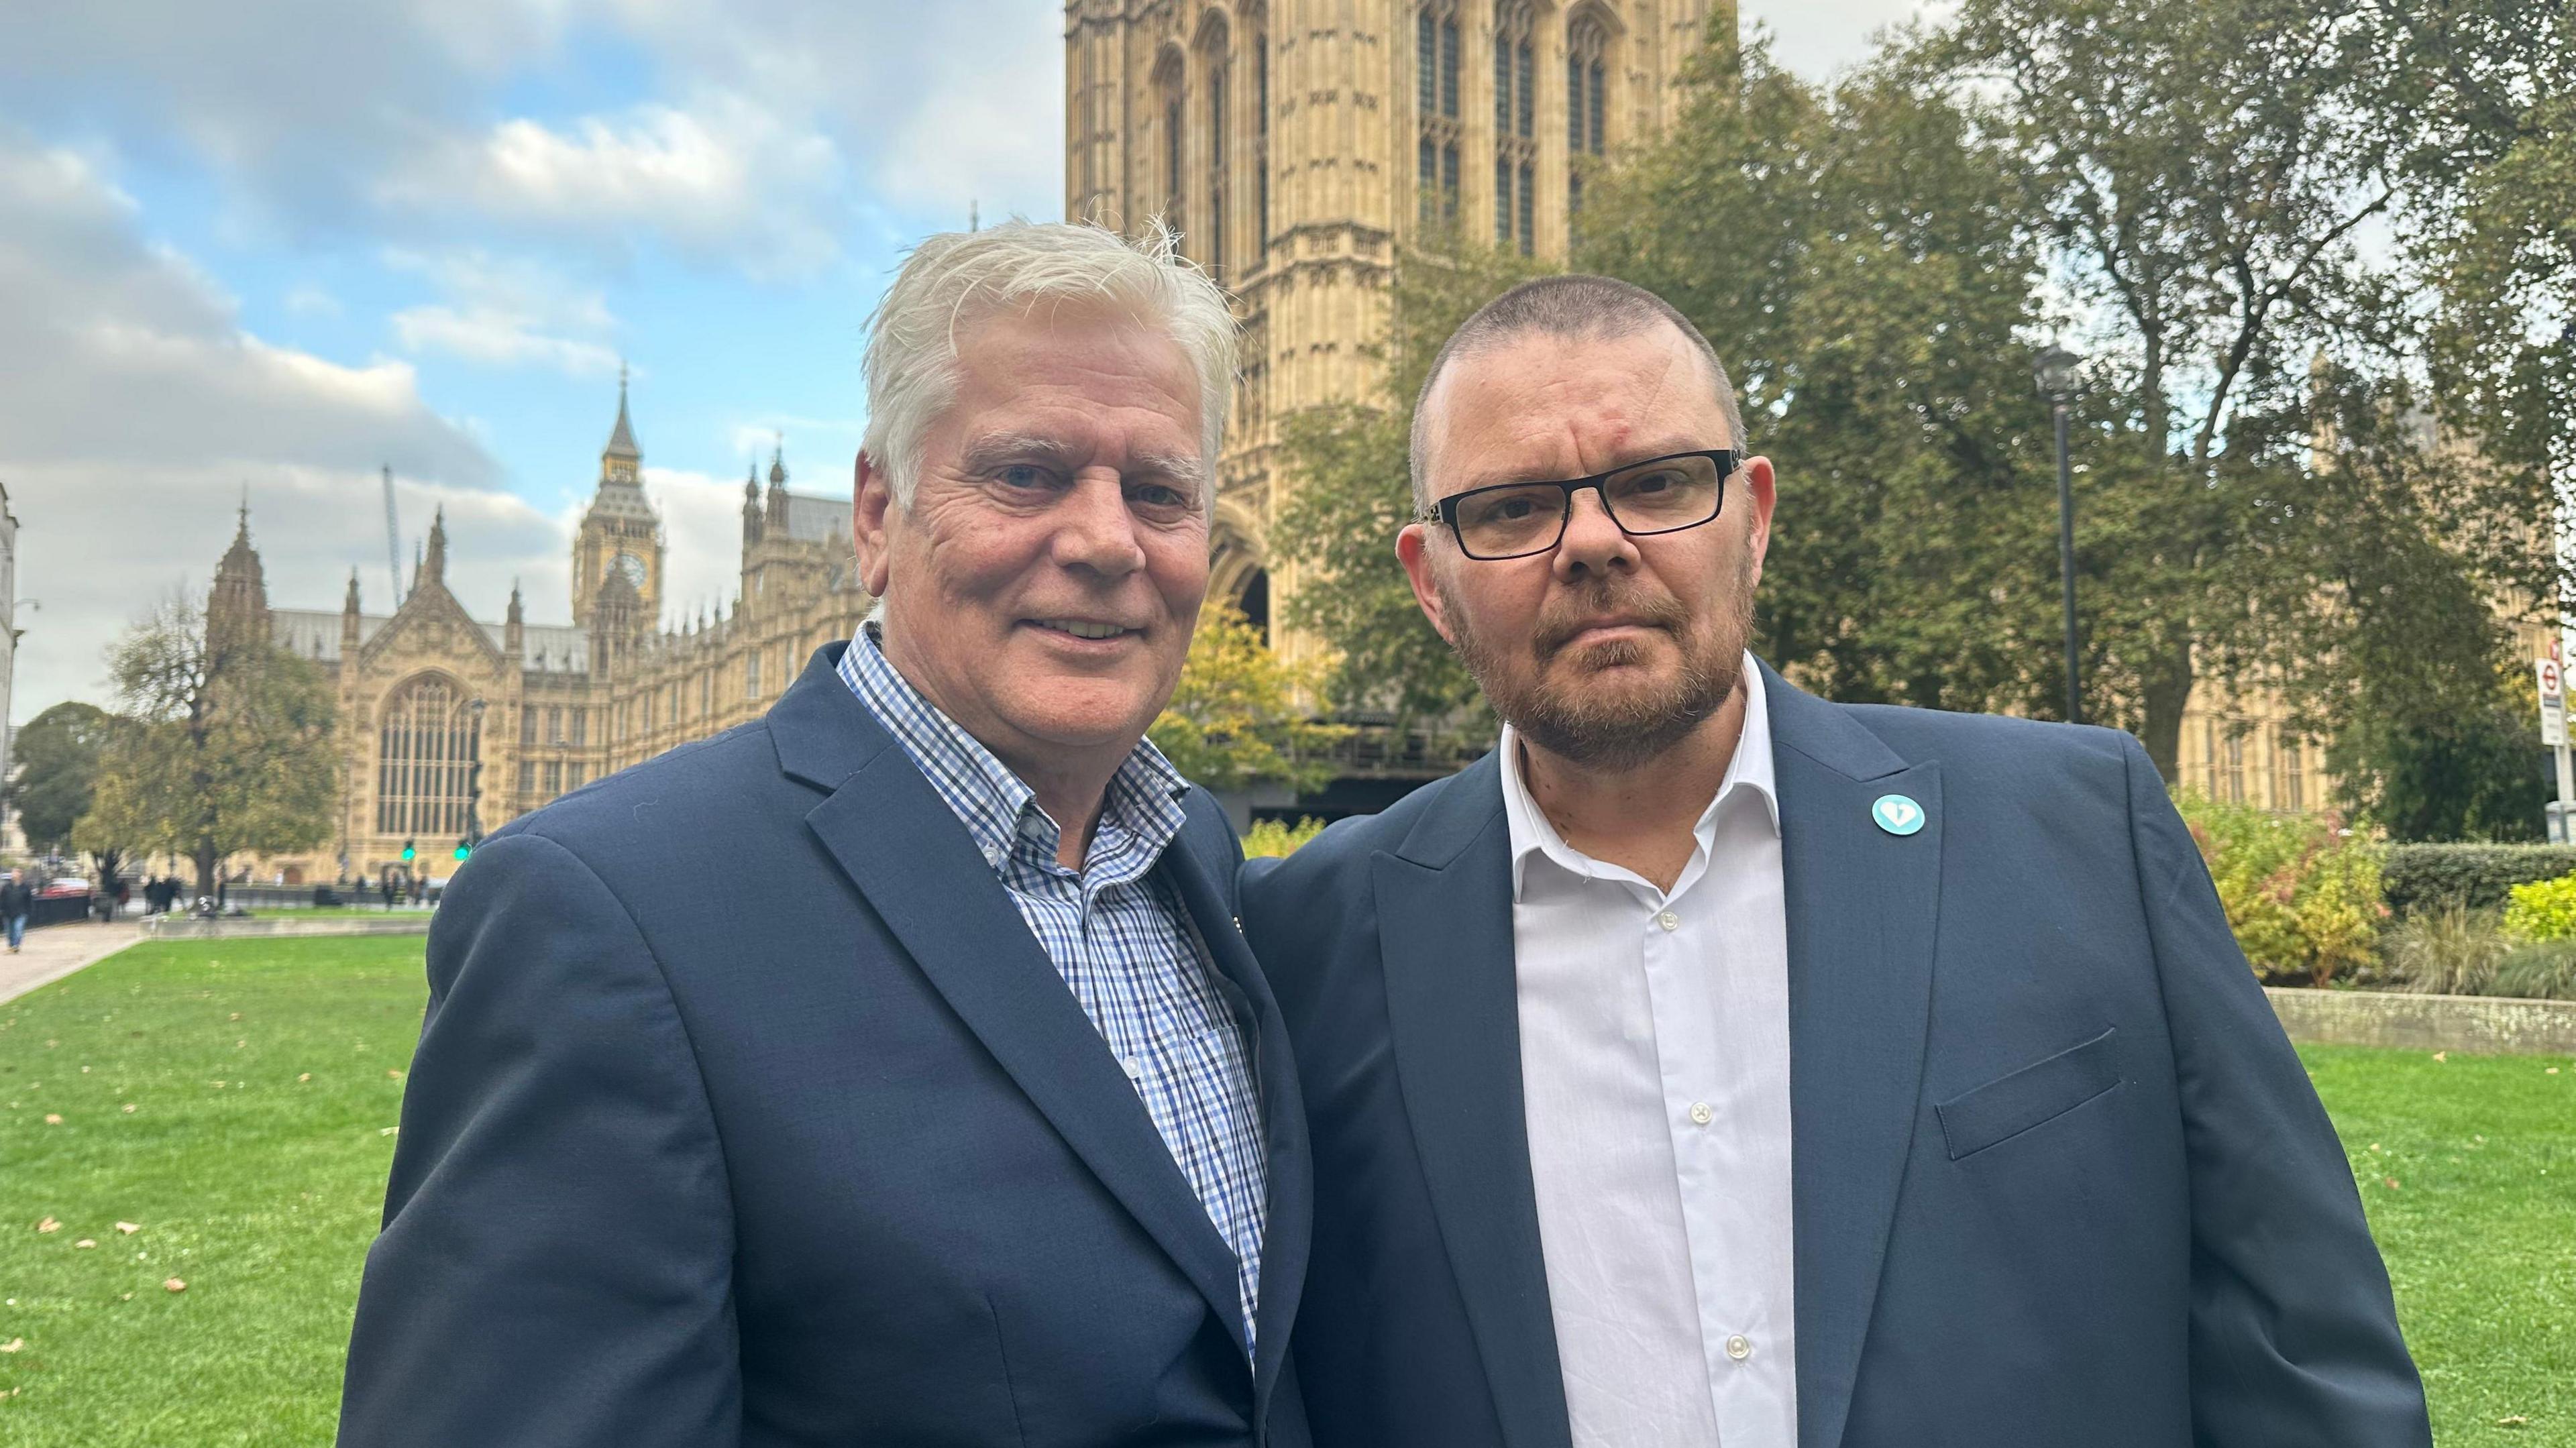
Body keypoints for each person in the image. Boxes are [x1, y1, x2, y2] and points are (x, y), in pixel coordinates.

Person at [1239, 276, 2430, 1448]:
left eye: (1656, 481)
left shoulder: (2079, 825)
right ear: (1430, 582)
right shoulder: (1310, 937)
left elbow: (2304, 1350)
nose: (1595, 543)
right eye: (1510, 508)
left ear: (1753, 516)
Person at [339, 221, 1311, 1447]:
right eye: (1026, 473)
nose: (1107, 540)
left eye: (1159, 491)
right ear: (874, 516)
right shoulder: (602, 912)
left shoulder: (1198, 867)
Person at [0, 874, 27, 952]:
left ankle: (16, 945)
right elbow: (2, 899)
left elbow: (29, 899)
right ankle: (11, 945)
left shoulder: (25, 887)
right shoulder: (6, 887)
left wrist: (28, 911)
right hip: (7, 912)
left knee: (18, 929)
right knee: (9, 931)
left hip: (21, 912)